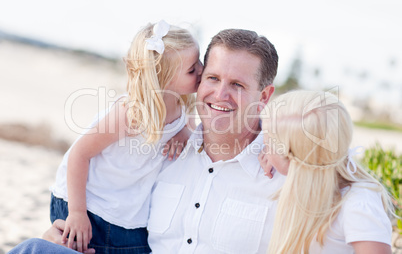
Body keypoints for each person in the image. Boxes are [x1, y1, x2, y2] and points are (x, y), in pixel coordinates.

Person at [9, 28, 285, 254]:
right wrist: (62, 233)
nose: (219, 93)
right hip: (100, 226)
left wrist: (275, 137)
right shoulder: (166, 143)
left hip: (123, 235)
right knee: (36, 249)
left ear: (264, 97)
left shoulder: (280, 170)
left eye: (237, 85)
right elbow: (82, 156)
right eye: (211, 77)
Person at [49, 20, 203, 253]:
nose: (202, 70)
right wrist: (77, 213)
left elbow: (189, 130)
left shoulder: (181, 104)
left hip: (127, 209)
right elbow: (79, 154)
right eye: (192, 69)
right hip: (88, 203)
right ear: (163, 79)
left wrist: (184, 131)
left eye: (199, 61)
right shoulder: (131, 113)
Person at [259, 90, 394, 254]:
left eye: (266, 141)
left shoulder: (358, 204)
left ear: (288, 155)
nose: (263, 149)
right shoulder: (305, 180)